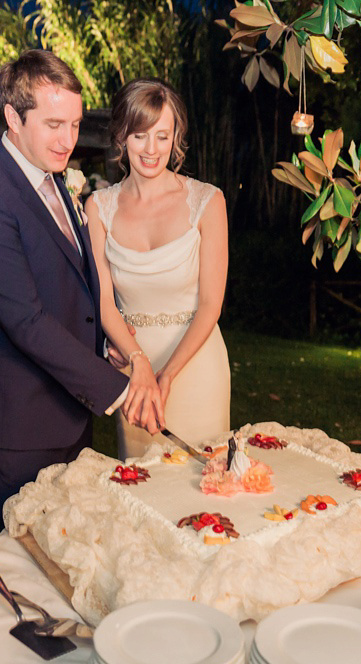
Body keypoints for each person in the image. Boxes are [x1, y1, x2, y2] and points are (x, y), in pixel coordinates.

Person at [0, 51, 164, 537]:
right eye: (53, 124)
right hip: (22, 420)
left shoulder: (53, 180)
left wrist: (100, 348)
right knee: (24, 561)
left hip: (68, 406)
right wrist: (121, 390)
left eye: (75, 124)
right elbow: (25, 321)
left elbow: (72, 283)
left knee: (68, 550)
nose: (68, 140)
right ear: (12, 118)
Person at [86, 78, 230, 460]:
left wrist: (166, 375)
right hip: (134, 372)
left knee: (206, 488)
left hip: (197, 365)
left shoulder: (208, 201)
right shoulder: (98, 208)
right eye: (140, 136)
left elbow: (212, 305)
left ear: (176, 137)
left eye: (162, 136)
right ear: (121, 137)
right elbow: (103, 303)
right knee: (142, 488)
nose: (151, 150)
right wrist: (139, 363)